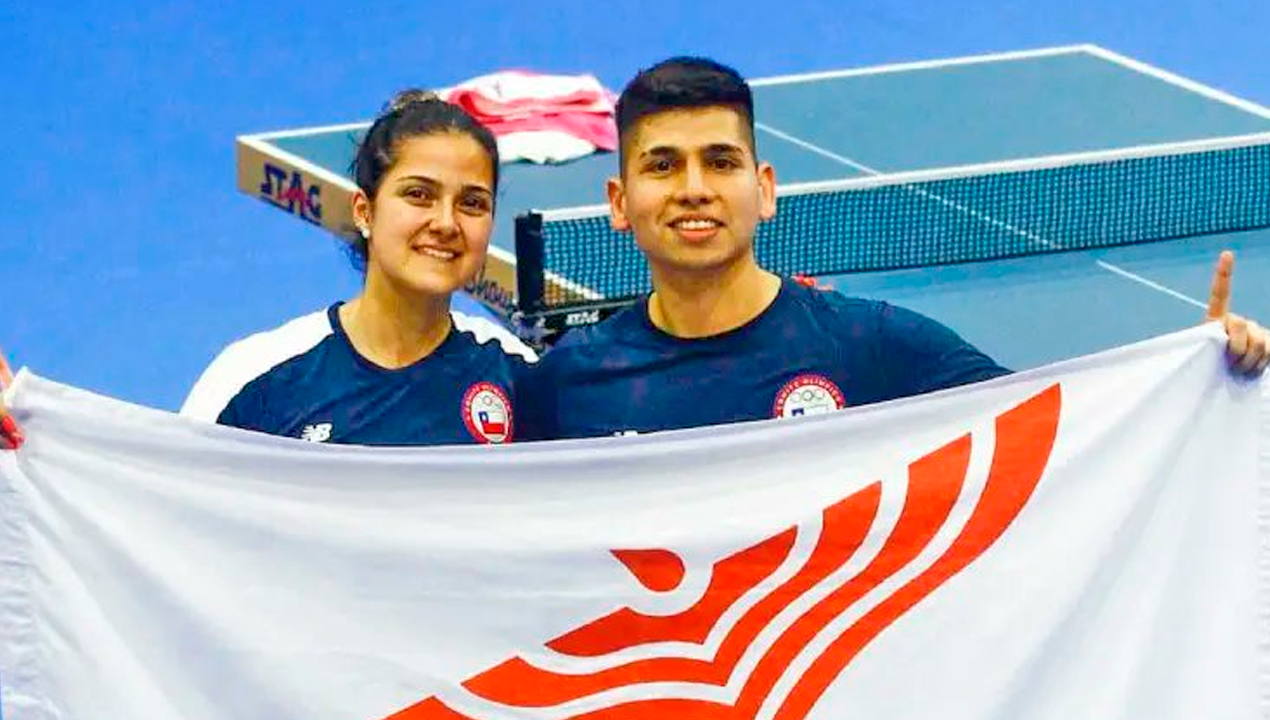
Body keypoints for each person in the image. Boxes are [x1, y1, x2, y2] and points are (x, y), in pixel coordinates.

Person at [516, 56, 1268, 441]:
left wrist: (1194, 376)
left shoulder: (874, 349)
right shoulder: (568, 384)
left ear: (765, 188)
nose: (693, 188)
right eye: (661, 166)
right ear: (618, 203)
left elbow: (1060, 426)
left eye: (720, 161)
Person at [180, 90, 535, 445]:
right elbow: (176, 475)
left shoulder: (516, 374)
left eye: (472, 203)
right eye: (418, 195)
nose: (446, 223)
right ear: (364, 212)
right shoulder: (253, 379)